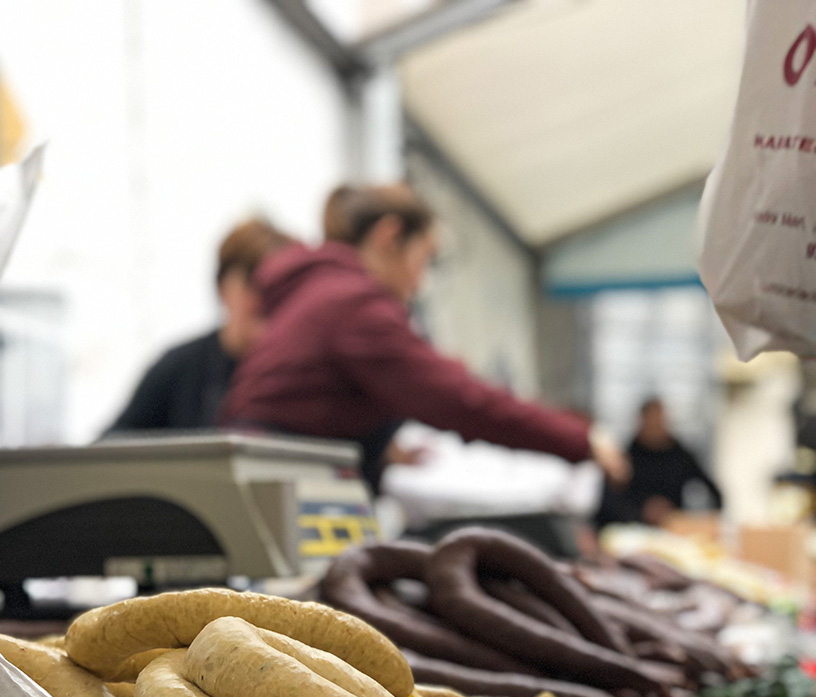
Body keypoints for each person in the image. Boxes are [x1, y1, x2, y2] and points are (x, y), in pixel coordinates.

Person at [220, 183, 629, 487]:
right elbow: (461, 401)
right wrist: (582, 440)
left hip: (262, 485)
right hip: (282, 498)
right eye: (425, 259)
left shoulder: (316, 293)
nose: (421, 282)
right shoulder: (353, 305)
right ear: (389, 236)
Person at [106, 218, 294, 433]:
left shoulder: (299, 374)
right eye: (254, 282)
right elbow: (112, 446)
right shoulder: (179, 366)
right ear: (223, 288)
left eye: (281, 285)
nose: (266, 296)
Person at [597, 398, 723, 527]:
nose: (655, 426)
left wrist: (698, 520)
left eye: (659, 420)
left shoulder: (680, 456)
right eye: (651, 420)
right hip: (634, 529)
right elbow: (609, 501)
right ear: (641, 421)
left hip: (673, 530)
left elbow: (713, 492)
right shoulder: (626, 457)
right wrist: (640, 512)